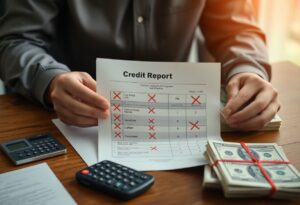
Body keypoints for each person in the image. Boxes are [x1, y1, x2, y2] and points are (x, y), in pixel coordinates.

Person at [0, 0, 280, 131]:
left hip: (176, 122)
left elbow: (236, 30)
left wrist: (248, 69)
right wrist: (50, 82)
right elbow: (15, 41)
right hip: (74, 123)